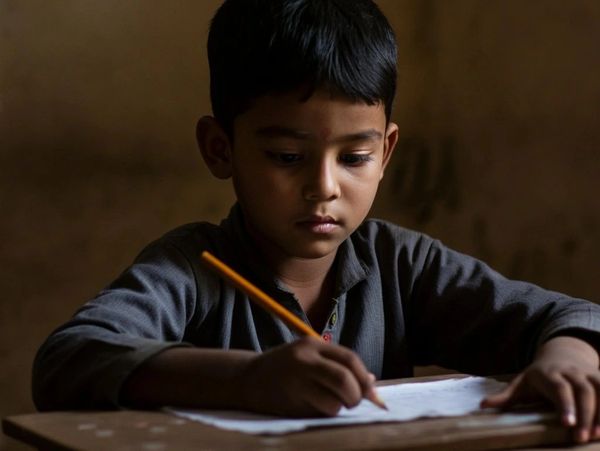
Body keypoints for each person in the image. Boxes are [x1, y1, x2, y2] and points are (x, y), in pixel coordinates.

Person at [33, 0, 600, 444]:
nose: (325, 186)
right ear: (220, 148)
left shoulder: (402, 266)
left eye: (354, 158)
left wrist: (567, 364)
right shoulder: (189, 269)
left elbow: (572, 316)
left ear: (387, 151)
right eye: (286, 157)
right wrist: (245, 381)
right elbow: (70, 359)